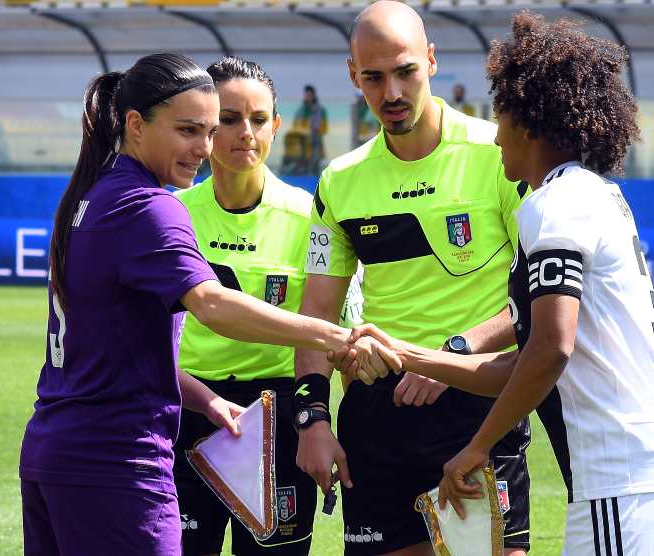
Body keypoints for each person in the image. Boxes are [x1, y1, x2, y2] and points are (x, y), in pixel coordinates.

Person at [18, 53, 398, 556]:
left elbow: (118, 345)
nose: (205, 147)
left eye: (208, 129)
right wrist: (333, 334)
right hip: (118, 460)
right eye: (189, 130)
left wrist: (207, 400)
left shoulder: (90, 200)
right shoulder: (155, 208)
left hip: (59, 448)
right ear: (135, 125)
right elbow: (213, 305)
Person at [344, 12, 654, 554]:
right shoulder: (587, 194)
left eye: (502, 112)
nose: (494, 130)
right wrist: (409, 354)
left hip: (618, 483)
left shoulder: (554, 208)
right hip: (615, 483)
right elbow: (518, 364)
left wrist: (476, 447)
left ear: (530, 121)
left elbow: (549, 351)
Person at [293, 2, 532, 555]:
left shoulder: (499, 154)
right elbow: (316, 317)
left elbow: (534, 295)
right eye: (373, 78)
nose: (392, 93)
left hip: (477, 403)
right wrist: (311, 418)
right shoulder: (340, 182)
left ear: (431, 60)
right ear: (353, 75)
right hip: (381, 414)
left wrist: (450, 355)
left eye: (406, 71)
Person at [174, 57, 357, 555]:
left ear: (276, 125)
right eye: (229, 119)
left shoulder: (309, 216)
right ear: (208, 126)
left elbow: (331, 331)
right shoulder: (173, 216)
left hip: (278, 418)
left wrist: (316, 421)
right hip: (187, 412)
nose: (245, 133)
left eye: (258, 120)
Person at [293, 85, 328, 175]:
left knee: (315, 169)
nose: (307, 97)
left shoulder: (320, 110)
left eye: (309, 95)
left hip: (315, 144)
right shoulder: (300, 110)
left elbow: (324, 128)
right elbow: (295, 127)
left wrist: (314, 131)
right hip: (302, 145)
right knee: (302, 169)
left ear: (313, 96)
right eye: (306, 94)